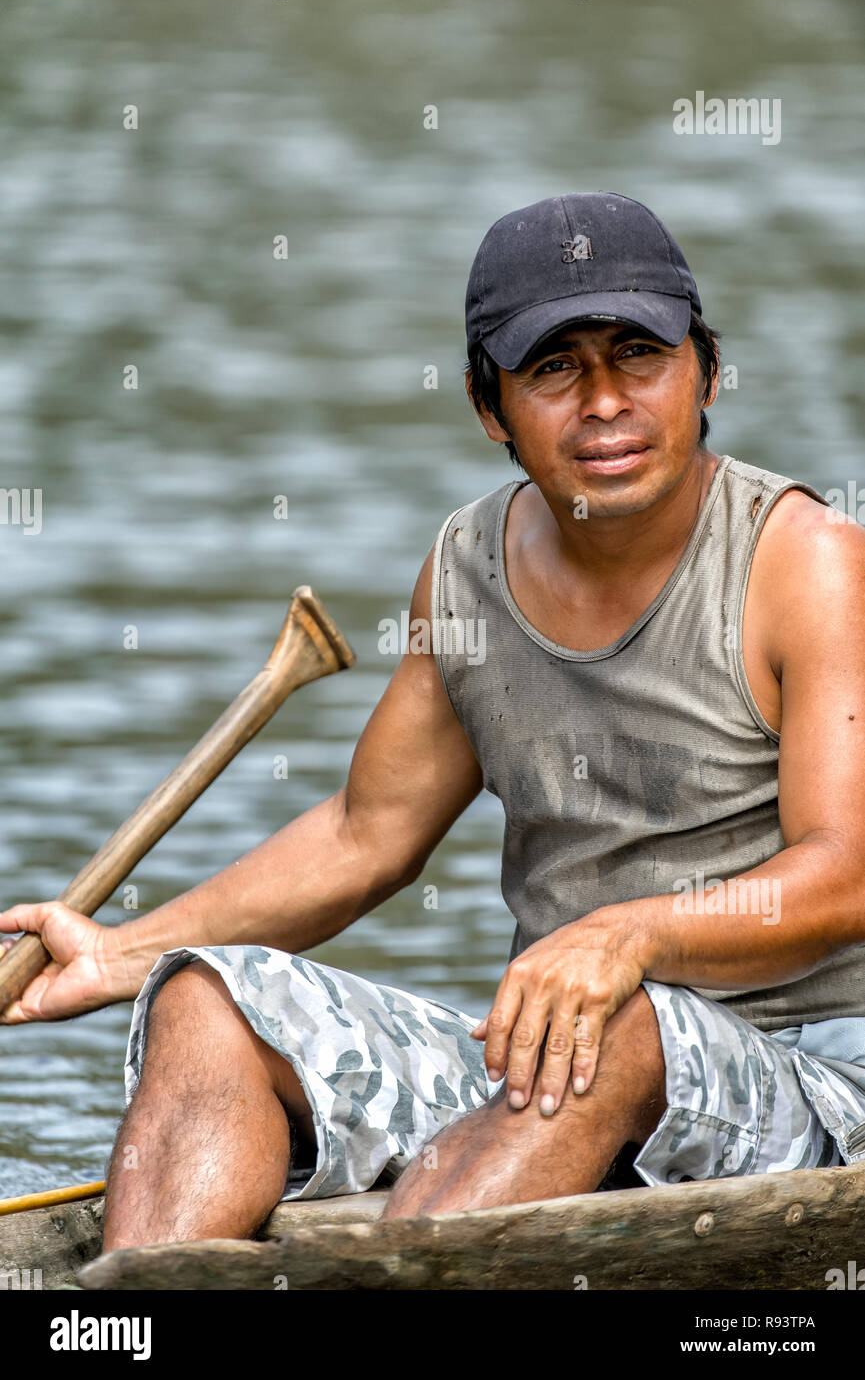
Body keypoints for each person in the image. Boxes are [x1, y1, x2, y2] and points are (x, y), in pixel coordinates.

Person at [3, 191, 865, 1252]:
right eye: (553, 369)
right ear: (488, 406)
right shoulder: (467, 567)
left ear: (707, 374)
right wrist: (126, 952)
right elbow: (367, 833)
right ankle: (137, 1313)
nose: (603, 402)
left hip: (815, 1077)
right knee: (208, 998)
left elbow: (847, 873)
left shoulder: (806, 561)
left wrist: (628, 934)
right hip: (552, 1058)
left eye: (638, 353)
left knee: (614, 1023)